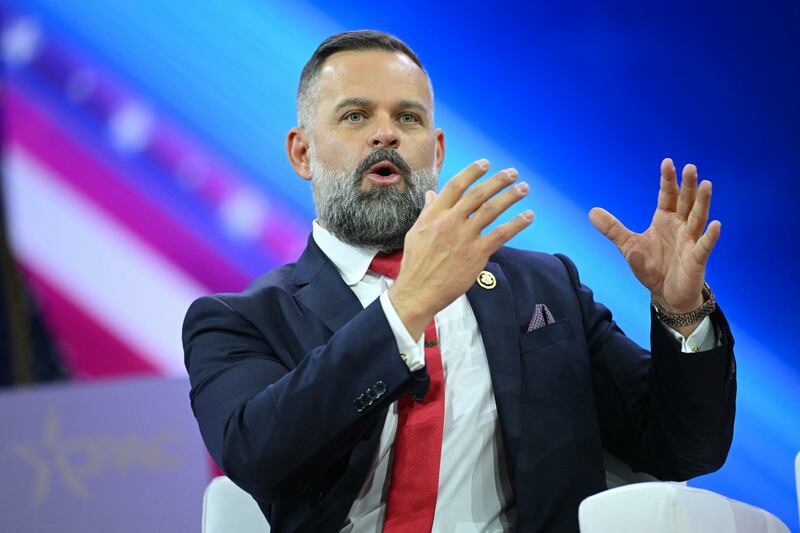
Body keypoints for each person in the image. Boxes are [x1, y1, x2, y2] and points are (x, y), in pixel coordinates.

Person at [182, 30, 735, 533]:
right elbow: (262, 460)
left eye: (408, 118)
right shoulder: (241, 320)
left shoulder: (543, 288)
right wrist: (407, 306)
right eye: (354, 116)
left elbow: (681, 449)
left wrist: (680, 310)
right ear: (303, 152)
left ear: (437, 150)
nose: (385, 136)